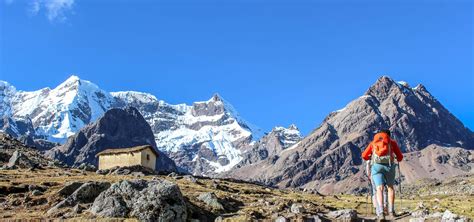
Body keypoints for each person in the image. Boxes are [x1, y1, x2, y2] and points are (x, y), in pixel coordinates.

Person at [362, 129, 403, 220]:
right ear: (389, 136)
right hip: (389, 167)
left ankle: (381, 213)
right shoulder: (392, 142)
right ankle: (391, 212)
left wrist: (371, 156)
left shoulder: (373, 143)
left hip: (377, 167)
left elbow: (364, 155)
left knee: (379, 189)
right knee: (390, 188)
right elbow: (400, 157)